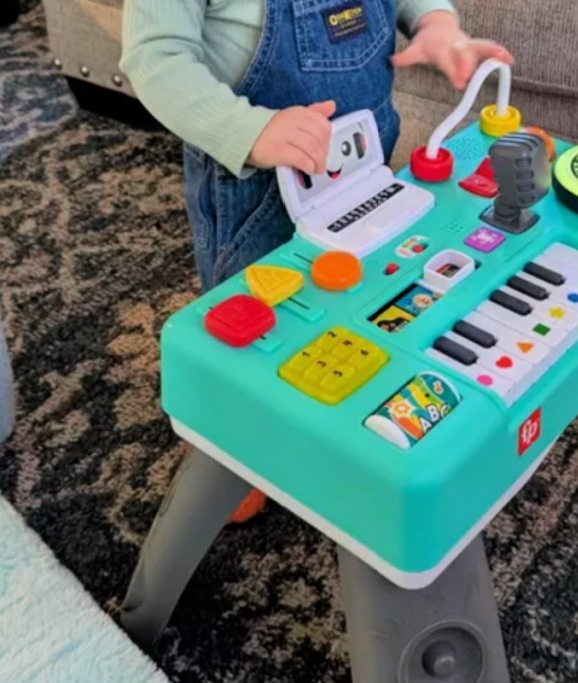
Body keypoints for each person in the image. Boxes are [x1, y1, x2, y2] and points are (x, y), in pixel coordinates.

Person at [121, 0, 512, 520]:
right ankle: (227, 440)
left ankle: (334, 409)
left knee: (358, 298)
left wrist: (435, 22)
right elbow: (156, 56)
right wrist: (251, 132)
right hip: (256, 187)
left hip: (361, 170)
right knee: (254, 322)